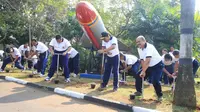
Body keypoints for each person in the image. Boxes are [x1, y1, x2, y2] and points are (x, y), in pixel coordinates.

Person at [135, 35, 164, 101]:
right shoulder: (139, 48)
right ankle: (139, 91)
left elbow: (148, 60)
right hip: (149, 66)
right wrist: (143, 70)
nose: (138, 43)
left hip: (157, 65)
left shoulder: (150, 47)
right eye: (137, 42)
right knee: (138, 75)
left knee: (155, 81)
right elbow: (142, 60)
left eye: (139, 41)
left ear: (144, 41)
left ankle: (160, 96)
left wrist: (143, 71)